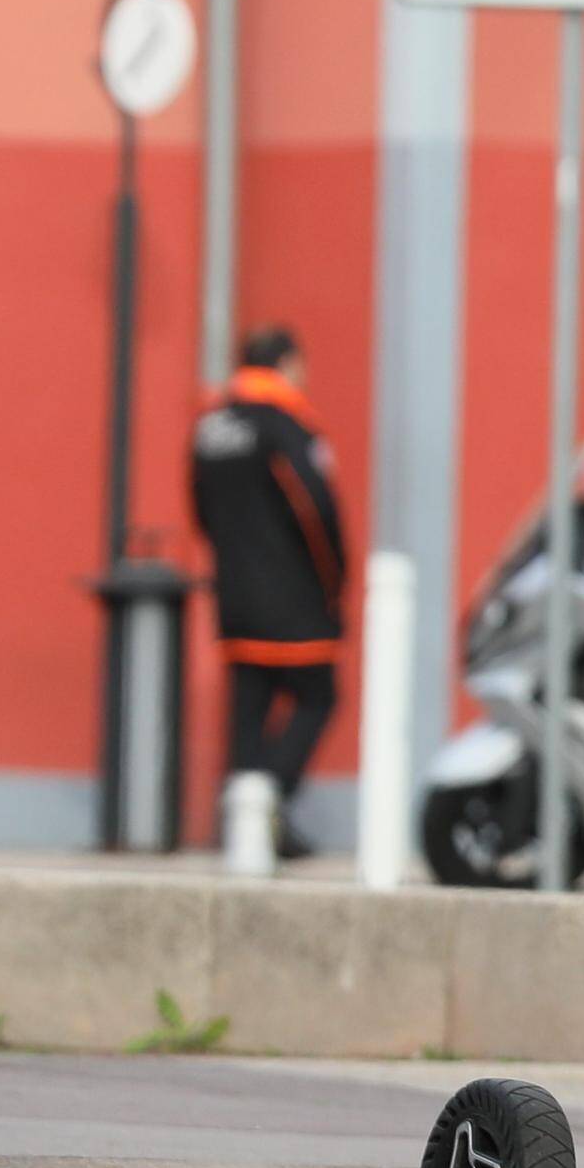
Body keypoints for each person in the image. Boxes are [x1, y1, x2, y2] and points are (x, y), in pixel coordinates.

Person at [187, 324, 351, 855]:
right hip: (292, 599)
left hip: (233, 596)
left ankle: (245, 827)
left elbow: (201, 510)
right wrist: (335, 582)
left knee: (249, 710)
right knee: (317, 696)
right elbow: (315, 510)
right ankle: (267, 803)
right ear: (286, 363)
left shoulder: (211, 426)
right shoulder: (286, 427)